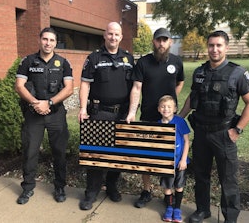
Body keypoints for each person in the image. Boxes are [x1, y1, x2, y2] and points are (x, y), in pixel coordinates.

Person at [178, 30, 249, 223]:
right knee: (201, 175)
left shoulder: (238, 73)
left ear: (226, 48)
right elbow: (192, 98)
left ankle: (230, 218)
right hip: (202, 133)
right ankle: (202, 210)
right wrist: (179, 118)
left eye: (219, 45)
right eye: (211, 45)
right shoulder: (200, 72)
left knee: (228, 180)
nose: (214, 49)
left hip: (224, 134)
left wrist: (237, 129)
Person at [126, 27, 185, 208]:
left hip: (170, 119)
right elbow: (136, 88)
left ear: (170, 42)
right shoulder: (144, 62)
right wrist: (131, 112)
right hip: (149, 116)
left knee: (170, 156)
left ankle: (168, 194)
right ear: (154, 41)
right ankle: (147, 190)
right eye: (158, 40)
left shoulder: (176, 62)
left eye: (165, 40)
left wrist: (170, 104)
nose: (161, 43)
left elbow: (180, 82)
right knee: (147, 157)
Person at [78, 22, 134, 210]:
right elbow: (85, 84)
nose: (113, 37)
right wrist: (82, 108)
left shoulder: (128, 58)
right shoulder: (94, 58)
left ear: (121, 36)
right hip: (100, 112)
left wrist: (132, 111)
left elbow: (136, 86)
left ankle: (111, 186)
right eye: (110, 34)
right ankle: (91, 192)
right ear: (105, 35)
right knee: (96, 155)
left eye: (116, 34)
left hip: (122, 114)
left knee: (118, 156)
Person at [15, 27, 74, 205]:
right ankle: (27, 188)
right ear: (39, 40)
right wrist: (35, 103)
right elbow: (19, 86)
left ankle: (60, 187)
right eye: (45, 39)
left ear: (56, 43)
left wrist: (48, 103)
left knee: (59, 153)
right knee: (30, 152)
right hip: (34, 114)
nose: (48, 43)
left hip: (56, 114)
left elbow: (69, 88)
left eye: (52, 40)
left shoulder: (63, 63)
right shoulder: (28, 61)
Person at [157, 95, 190, 223]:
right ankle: (169, 208)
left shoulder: (180, 122)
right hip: (166, 163)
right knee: (167, 186)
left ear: (175, 109)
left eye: (169, 107)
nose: (166, 109)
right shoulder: (158, 125)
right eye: (163, 107)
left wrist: (183, 160)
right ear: (159, 109)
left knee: (179, 186)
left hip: (179, 162)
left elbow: (187, 142)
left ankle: (177, 208)